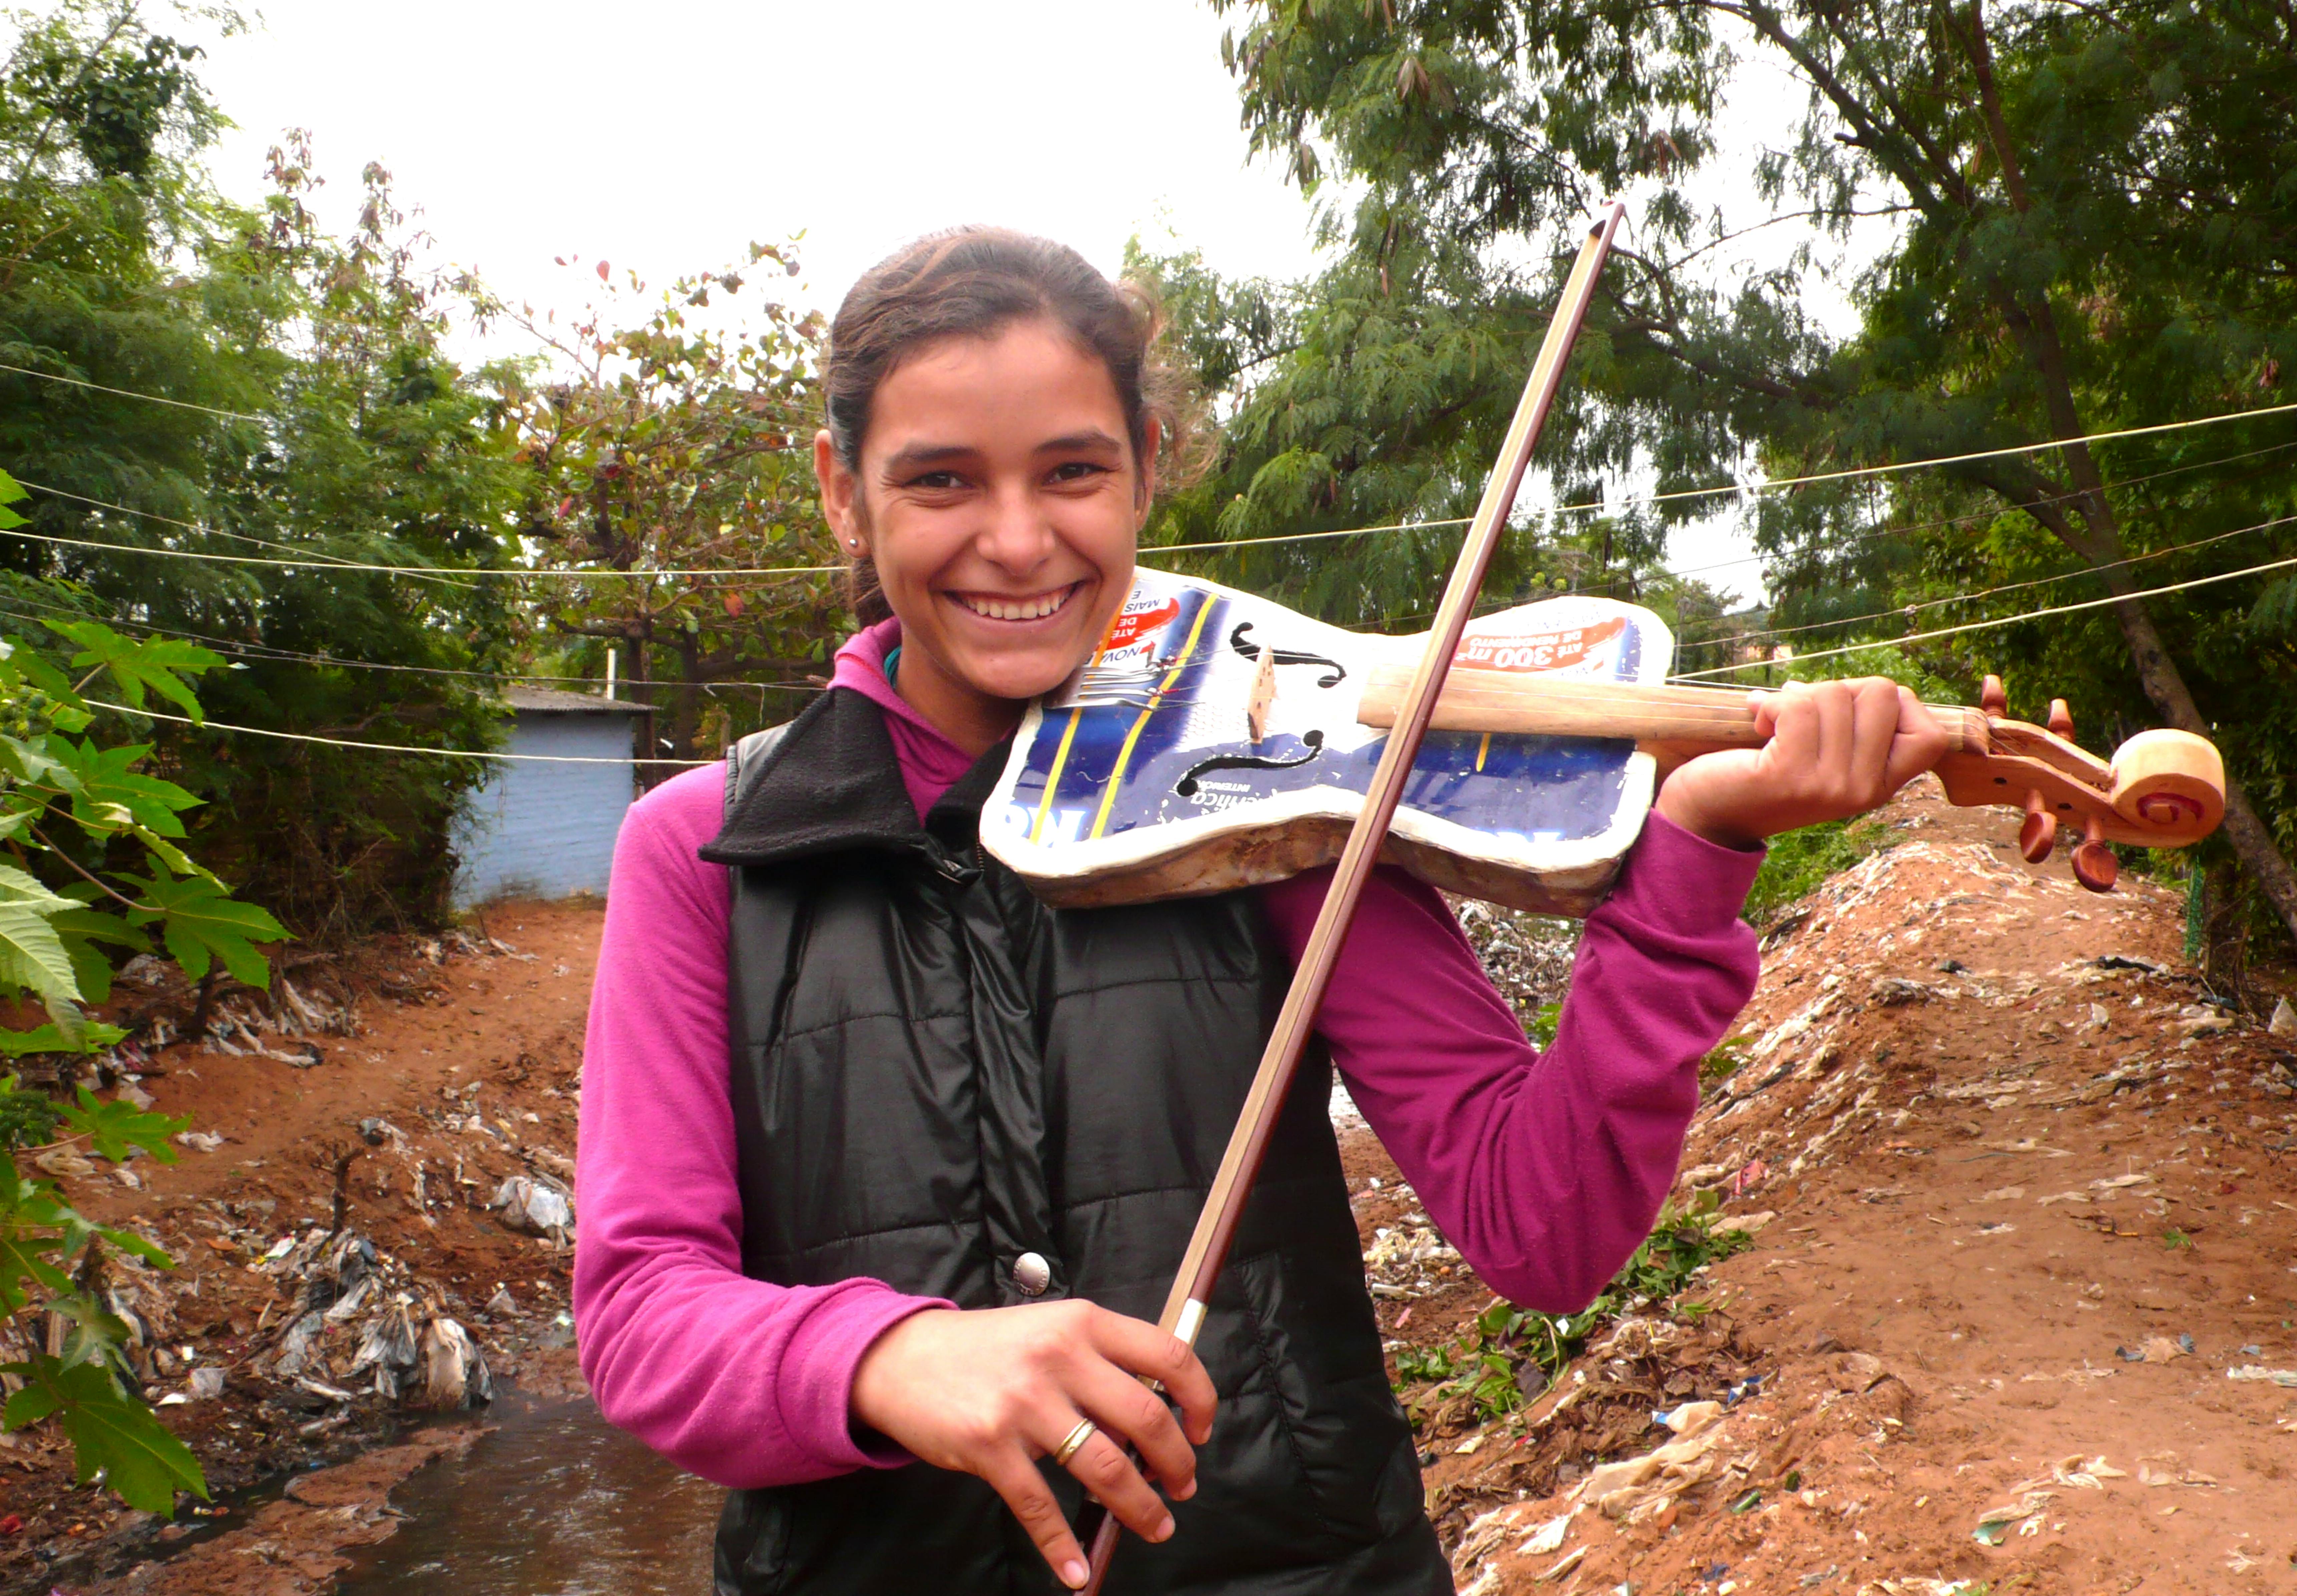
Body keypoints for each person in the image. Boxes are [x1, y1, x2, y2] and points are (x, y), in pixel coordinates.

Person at [573, 226, 1951, 1596]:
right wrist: (885, 1356)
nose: (1014, 539)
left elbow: (1546, 1228)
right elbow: (639, 1312)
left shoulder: (1276, 794)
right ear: (842, 491)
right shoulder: (705, 852)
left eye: (1072, 473)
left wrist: (1695, 850)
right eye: (940, 481)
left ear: (1145, 468)